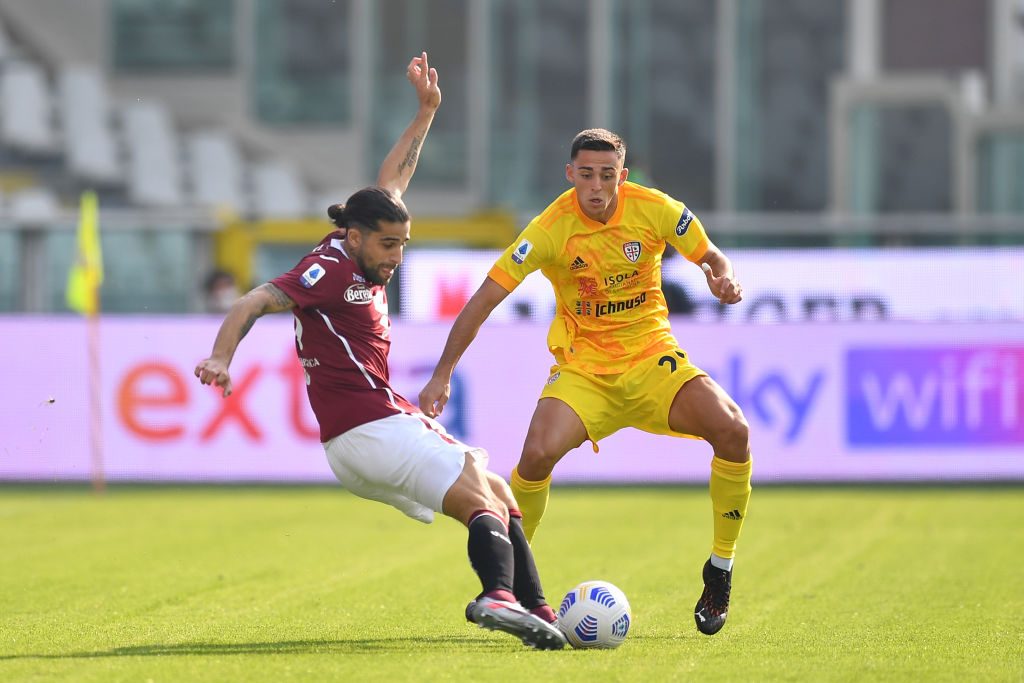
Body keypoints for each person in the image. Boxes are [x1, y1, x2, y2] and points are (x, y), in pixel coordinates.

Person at [194, 53, 565, 651]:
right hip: (368, 428)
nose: (397, 256)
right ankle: (497, 596)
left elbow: (392, 181)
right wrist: (221, 357)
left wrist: (426, 112)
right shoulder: (327, 270)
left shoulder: (364, 237)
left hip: (371, 428)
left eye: (403, 244)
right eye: (388, 245)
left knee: (496, 489)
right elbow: (253, 302)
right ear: (356, 237)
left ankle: (537, 609)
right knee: (477, 489)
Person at [419, 128, 751, 637]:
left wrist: (721, 276)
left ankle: (720, 569)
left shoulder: (656, 209)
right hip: (584, 372)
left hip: (651, 359)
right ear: (570, 174)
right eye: (587, 175)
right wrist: (443, 372)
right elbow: (485, 298)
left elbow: (710, 255)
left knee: (733, 431)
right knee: (535, 456)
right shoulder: (550, 229)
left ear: (623, 175)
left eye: (607, 175)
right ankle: (512, 587)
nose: (596, 186)